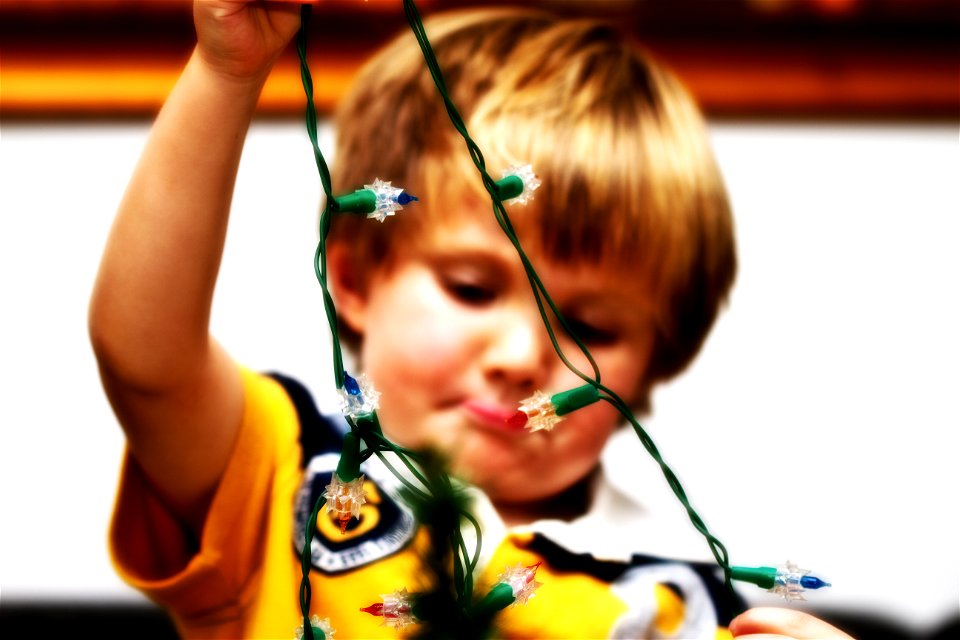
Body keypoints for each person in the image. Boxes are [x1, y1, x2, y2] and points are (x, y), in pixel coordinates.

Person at [89, 1, 853, 638]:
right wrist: (228, 70)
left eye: (592, 329)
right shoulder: (287, 472)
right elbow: (142, 358)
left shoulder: (682, 603)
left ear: (660, 355)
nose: (524, 354)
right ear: (352, 277)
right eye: (471, 289)